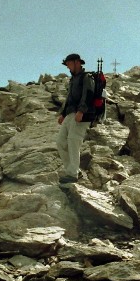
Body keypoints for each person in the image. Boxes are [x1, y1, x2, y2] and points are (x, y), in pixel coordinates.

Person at [57, 53, 95, 184]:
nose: (68, 67)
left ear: (77, 62)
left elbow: (88, 94)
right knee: (61, 142)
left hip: (81, 115)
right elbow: (69, 98)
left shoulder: (87, 77)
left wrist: (81, 111)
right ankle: (73, 171)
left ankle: (72, 174)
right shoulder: (73, 79)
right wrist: (63, 114)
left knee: (73, 142)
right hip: (70, 114)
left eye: (69, 64)